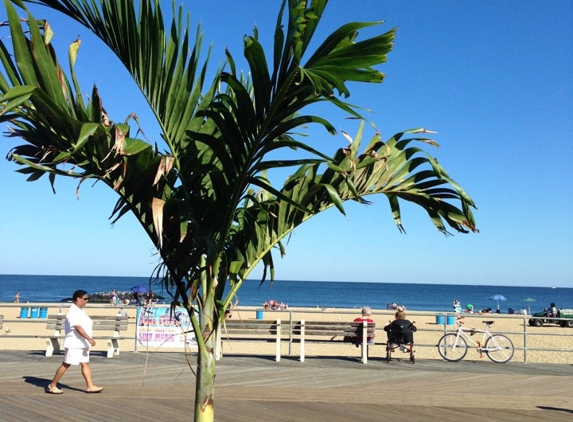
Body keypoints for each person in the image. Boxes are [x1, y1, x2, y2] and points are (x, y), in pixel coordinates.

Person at [45, 290, 104, 394]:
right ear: (78, 299)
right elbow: (78, 327)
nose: (87, 301)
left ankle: (90, 386)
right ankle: (52, 385)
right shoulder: (73, 311)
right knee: (66, 363)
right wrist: (89, 339)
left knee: (85, 363)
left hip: (82, 343)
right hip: (74, 342)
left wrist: (87, 340)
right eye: (85, 299)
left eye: (87, 299)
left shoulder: (80, 310)